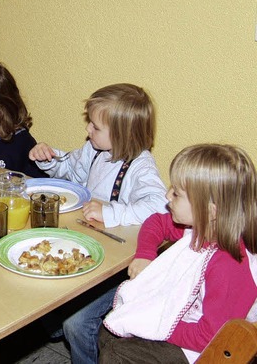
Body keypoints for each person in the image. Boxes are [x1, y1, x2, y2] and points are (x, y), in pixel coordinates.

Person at [28, 83, 168, 364]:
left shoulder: (140, 166)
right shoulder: (94, 150)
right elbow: (71, 169)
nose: (88, 131)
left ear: (122, 134)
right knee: (37, 278)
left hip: (118, 268)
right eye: (90, 123)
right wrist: (49, 158)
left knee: (77, 323)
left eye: (95, 127)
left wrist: (111, 212)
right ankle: (54, 324)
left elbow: (159, 205)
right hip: (89, 248)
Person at [99, 144, 257, 363]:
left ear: (211, 210)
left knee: (118, 353)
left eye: (177, 193)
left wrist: (155, 322)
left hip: (197, 351)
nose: (167, 195)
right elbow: (155, 223)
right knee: (108, 332)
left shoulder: (229, 265)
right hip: (180, 324)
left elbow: (210, 336)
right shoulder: (196, 229)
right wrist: (145, 254)